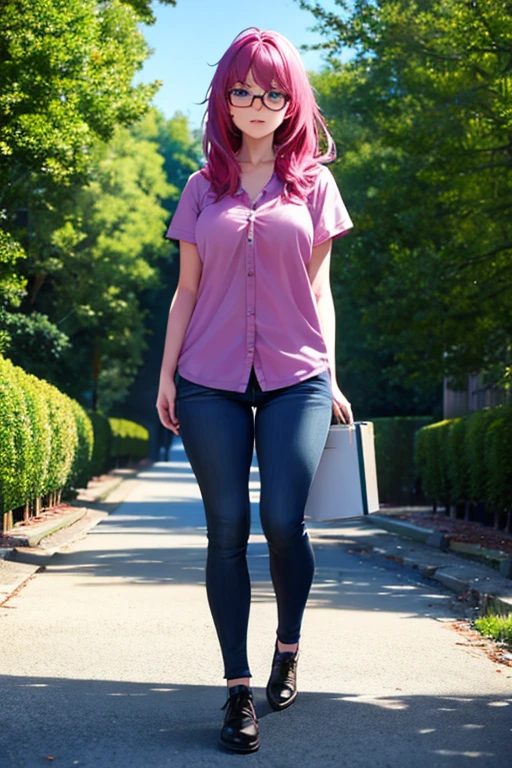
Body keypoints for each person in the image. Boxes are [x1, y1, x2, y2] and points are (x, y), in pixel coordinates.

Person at [156, 27, 354, 754]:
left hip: (295, 377)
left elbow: (320, 291)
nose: (257, 104)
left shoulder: (314, 186)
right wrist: (167, 376)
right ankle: (237, 689)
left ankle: (289, 644)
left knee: (281, 520)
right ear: (226, 99)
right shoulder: (200, 188)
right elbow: (186, 292)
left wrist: (331, 374)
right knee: (226, 532)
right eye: (243, 90)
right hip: (209, 380)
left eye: (272, 91)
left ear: (290, 98)